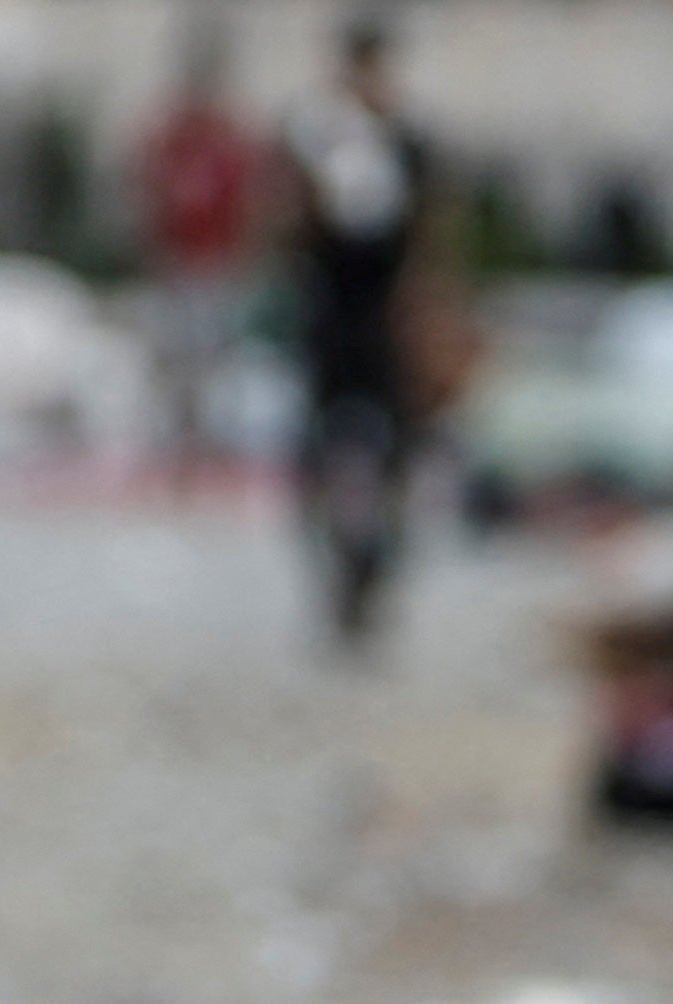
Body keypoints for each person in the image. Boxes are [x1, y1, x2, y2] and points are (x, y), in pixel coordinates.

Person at [279, 17, 460, 648]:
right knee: (323, 448)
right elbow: (292, 227)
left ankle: (376, 567)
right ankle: (337, 570)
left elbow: (427, 233)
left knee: (394, 449)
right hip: (331, 314)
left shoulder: (407, 141)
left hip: (385, 318)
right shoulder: (316, 137)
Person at [133, 20, 270, 482]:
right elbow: (151, 195)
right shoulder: (170, 137)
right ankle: (180, 442)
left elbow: (247, 203)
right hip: (179, 263)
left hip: (217, 264)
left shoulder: (231, 140)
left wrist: (243, 254)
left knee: (216, 361)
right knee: (177, 362)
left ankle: (212, 442)